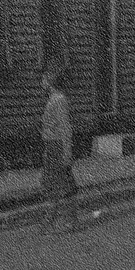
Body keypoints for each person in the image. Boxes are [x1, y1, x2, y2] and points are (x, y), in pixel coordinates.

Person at [39, 68, 78, 234]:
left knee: (63, 185)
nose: (42, 82)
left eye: (44, 79)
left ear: (50, 81)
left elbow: (65, 128)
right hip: (51, 146)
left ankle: (68, 221)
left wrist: (67, 152)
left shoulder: (59, 100)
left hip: (57, 146)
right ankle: (51, 221)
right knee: (51, 184)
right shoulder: (52, 99)